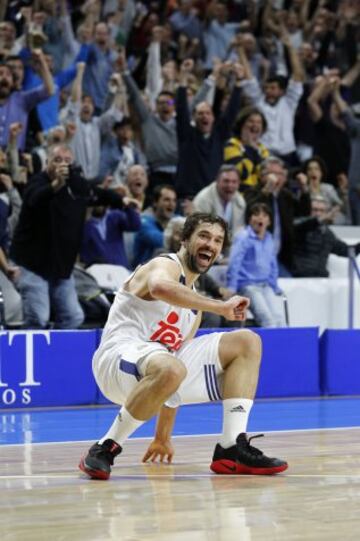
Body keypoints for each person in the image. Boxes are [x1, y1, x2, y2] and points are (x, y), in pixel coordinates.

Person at [78, 212, 288, 480]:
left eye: (217, 240)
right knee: (170, 365)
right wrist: (220, 306)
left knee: (247, 342)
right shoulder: (163, 265)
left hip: (158, 367)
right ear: (184, 239)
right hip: (116, 359)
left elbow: (173, 372)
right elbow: (159, 288)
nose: (210, 244)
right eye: (203, 236)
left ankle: (231, 447)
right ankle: (105, 447)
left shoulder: (193, 309)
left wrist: (163, 437)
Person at [10, 143, 124, 329]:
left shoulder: (76, 185)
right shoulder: (37, 182)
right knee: (39, 316)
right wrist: (56, 185)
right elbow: (34, 199)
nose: (62, 165)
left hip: (61, 267)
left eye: (67, 161)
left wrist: (122, 201)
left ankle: (56, 356)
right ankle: (29, 356)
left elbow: (95, 193)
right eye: (57, 160)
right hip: (33, 264)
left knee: (74, 317)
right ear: (47, 163)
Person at [227, 203, 286, 328]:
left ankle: (282, 347)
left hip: (265, 286)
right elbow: (234, 262)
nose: (260, 218)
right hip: (248, 286)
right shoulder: (243, 237)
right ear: (250, 219)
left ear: (269, 221)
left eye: (264, 215)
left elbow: (273, 264)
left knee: (280, 320)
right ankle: (268, 348)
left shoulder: (269, 238)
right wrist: (231, 286)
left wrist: (274, 286)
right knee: (267, 319)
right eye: (256, 214)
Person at [292, 196, 360, 277]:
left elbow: (348, 251)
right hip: (299, 279)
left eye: (321, 211)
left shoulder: (328, 234)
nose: (318, 214)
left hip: (321, 279)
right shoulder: (298, 227)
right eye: (315, 210)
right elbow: (303, 226)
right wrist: (319, 220)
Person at [192, 165, 246, 244]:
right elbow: (199, 232)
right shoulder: (203, 199)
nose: (230, 185)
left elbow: (238, 234)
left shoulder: (240, 201)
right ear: (217, 181)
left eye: (234, 182)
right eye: (226, 181)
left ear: (239, 183)